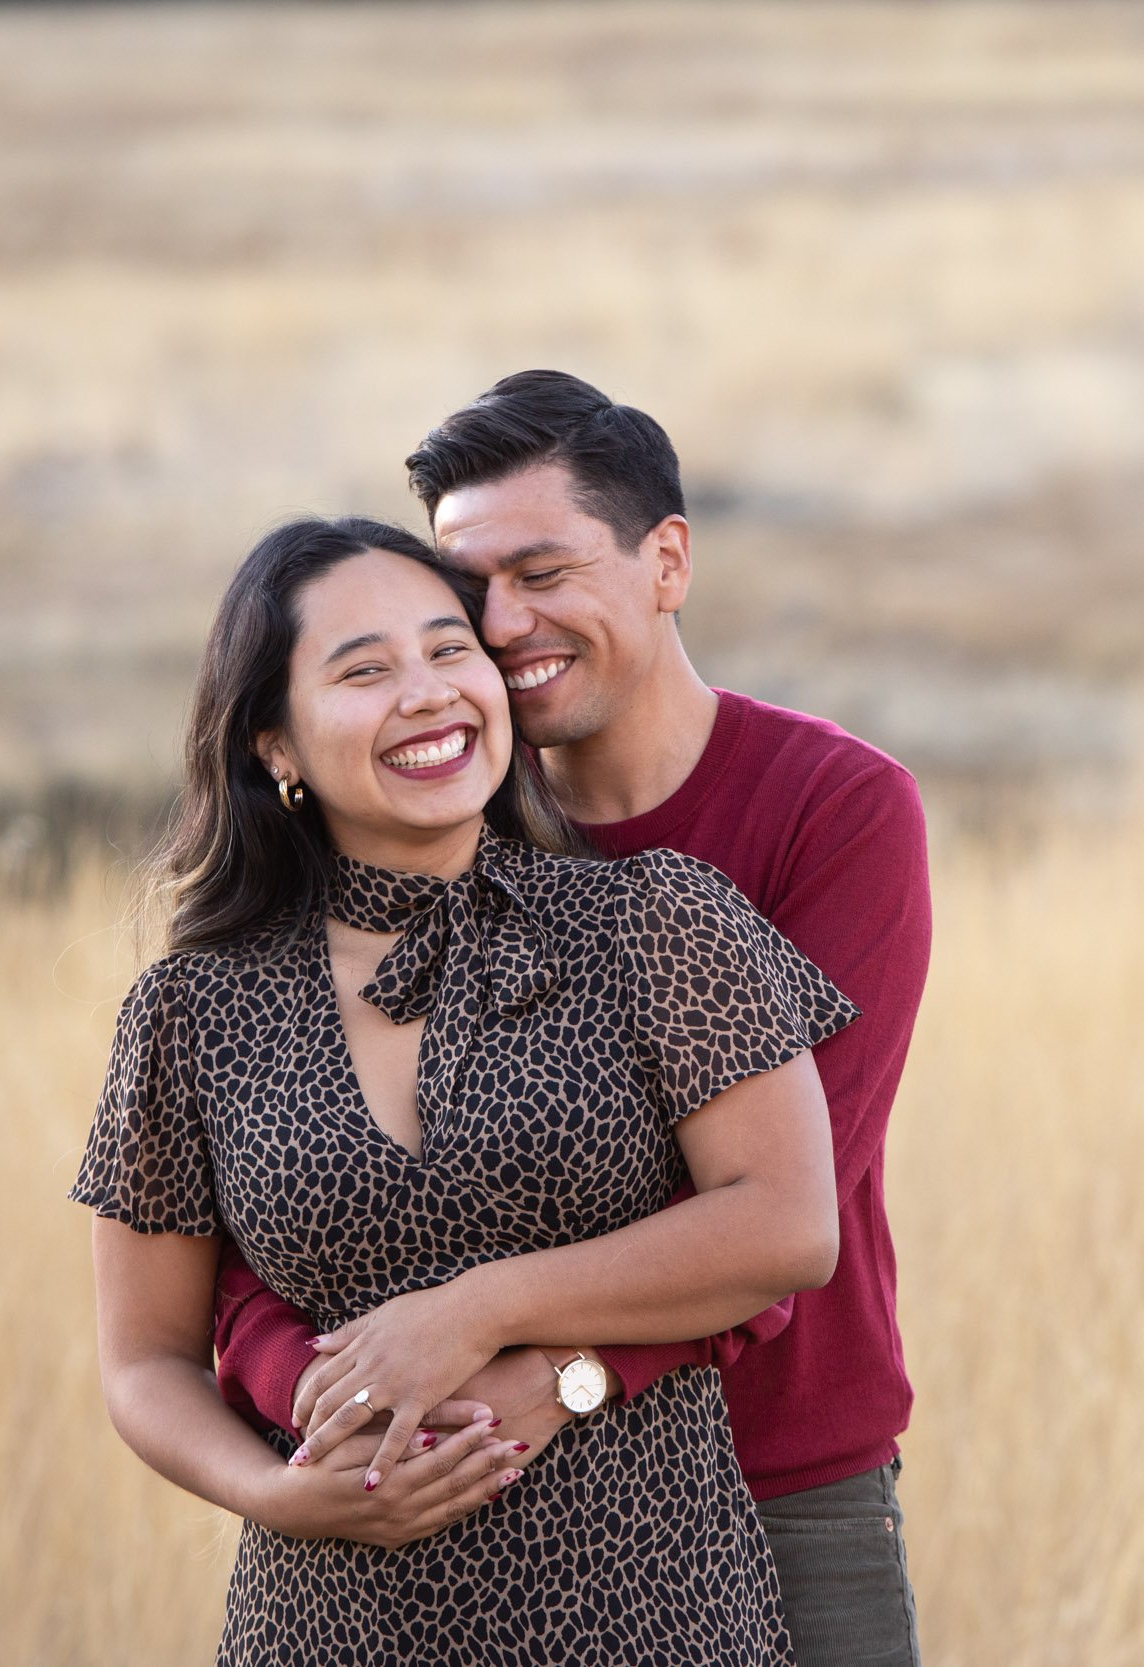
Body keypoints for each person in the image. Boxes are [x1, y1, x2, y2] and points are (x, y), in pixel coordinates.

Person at [215, 372, 935, 1666]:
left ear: (668, 560)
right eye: (467, 587)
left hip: (778, 1477)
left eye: (542, 570)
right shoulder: (433, 825)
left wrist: (547, 1364)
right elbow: (293, 1201)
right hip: (460, 1499)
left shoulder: (836, 811)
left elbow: (782, 1204)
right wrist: (319, 1400)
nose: (501, 624)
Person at [72, 514, 860, 1665]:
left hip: (650, 1612)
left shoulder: (657, 920)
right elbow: (143, 1358)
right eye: (364, 669)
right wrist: (273, 1491)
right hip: (329, 1622)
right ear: (273, 744)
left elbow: (788, 1227)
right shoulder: (193, 1009)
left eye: (452, 651)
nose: (430, 692)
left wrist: (473, 1308)